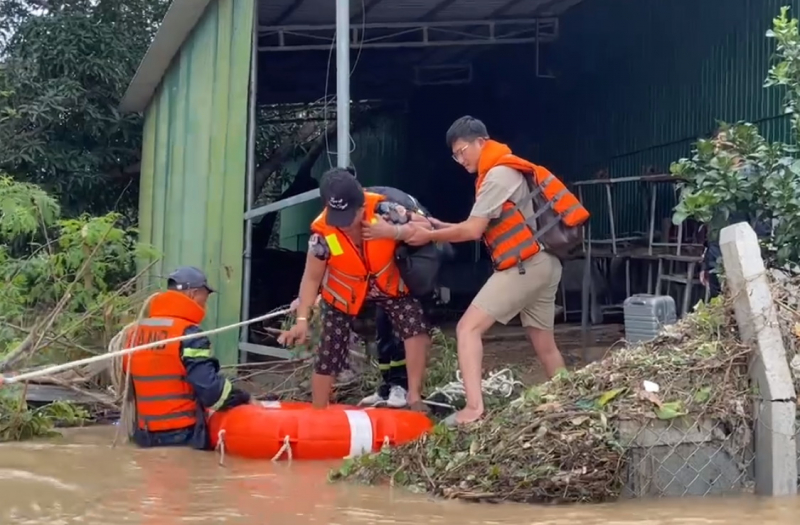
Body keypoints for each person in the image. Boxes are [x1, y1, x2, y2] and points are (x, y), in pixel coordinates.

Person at [404, 116, 589, 426]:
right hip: (545, 264)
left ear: (481, 142)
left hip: (524, 267)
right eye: (455, 155)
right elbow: (475, 225)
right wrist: (438, 226)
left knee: (467, 329)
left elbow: (473, 231)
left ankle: (475, 409)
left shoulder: (497, 176)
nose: (460, 160)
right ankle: (570, 401)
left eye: (462, 151)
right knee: (544, 344)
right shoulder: (507, 169)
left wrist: (429, 236)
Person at [278, 168, 433, 411]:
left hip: (387, 284)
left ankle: (414, 398)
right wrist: (301, 320)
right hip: (344, 292)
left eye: (350, 217)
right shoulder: (322, 235)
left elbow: (427, 230)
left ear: (362, 206)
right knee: (329, 352)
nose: (345, 225)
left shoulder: (385, 210)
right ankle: (319, 411)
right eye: (338, 218)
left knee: (416, 329)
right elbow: (311, 278)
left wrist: (393, 231)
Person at [121, 266, 255, 448]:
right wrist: (243, 397)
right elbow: (212, 392)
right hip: (181, 434)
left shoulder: (135, 333)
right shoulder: (187, 334)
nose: (205, 305)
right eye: (204, 298)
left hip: (143, 435)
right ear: (193, 294)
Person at [698, 131, 771, 298]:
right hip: (717, 258)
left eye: (723, 146)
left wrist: (760, 257)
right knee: (721, 308)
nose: (718, 151)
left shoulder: (751, 175)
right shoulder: (714, 180)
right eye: (716, 147)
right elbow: (712, 227)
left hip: (745, 259)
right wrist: (705, 264)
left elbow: (760, 220)